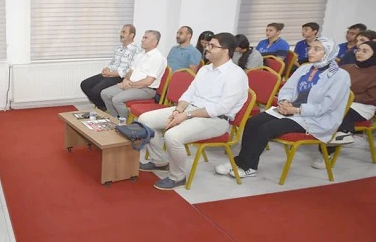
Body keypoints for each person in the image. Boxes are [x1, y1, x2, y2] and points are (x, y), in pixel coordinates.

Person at [218, 37, 350, 179]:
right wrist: (284, 101)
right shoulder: (305, 68)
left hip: (315, 119)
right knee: (252, 122)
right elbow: (288, 88)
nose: (310, 51)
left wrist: (297, 110)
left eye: (316, 49)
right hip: (292, 110)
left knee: (266, 129)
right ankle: (240, 161)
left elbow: (327, 106)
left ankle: (249, 166)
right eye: (310, 48)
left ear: (329, 53)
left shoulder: (340, 76)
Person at [138, 33, 248, 190]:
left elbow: (221, 108)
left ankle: (178, 177)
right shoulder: (205, 69)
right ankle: (159, 161)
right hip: (191, 110)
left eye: (212, 46)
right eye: (208, 45)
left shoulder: (236, 75)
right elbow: (189, 93)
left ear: (225, 51)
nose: (207, 48)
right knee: (144, 120)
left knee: (172, 136)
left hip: (216, 120)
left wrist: (187, 115)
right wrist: (179, 109)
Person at [316, 40, 376, 157]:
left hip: (362, 107)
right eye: (358, 50)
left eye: (365, 51)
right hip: (339, 101)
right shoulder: (346, 68)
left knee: (335, 112)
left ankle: (329, 151)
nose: (359, 53)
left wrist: (345, 97)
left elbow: (372, 97)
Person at [101, 30, 167, 119]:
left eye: (146, 38)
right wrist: (125, 80)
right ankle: (115, 118)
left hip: (146, 89)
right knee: (105, 93)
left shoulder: (157, 58)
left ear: (154, 42)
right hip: (132, 84)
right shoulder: (141, 55)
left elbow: (148, 81)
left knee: (116, 100)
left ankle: (124, 122)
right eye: (143, 37)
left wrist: (131, 85)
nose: (142, 40)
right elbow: (131, 71)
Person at [80, 24, 140, 111]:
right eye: (121, 32)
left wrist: (111, 74)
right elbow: (113, 62)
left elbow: (130, 70)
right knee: (85, 84)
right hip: (110, 73)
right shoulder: (119, 48)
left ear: (131, 35)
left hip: (120, 77)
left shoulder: (136, 50)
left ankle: (104, 108)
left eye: (124, 32)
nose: (121, 34)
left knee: (96, 90)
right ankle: (103, 106)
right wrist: (107, 69)